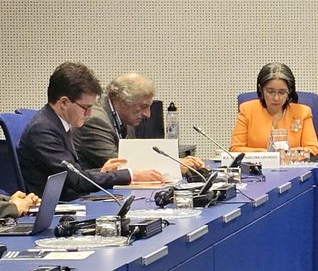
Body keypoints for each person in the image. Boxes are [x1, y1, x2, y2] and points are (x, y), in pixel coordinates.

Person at [18, 62, 165, 200]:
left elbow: (75, 173)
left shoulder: (57, 122)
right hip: (57, 210)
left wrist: (101, 172)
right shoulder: (43, 130)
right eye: (86, 107)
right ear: (64, 102)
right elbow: (77, 181)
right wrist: (130, 175)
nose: (89, 114)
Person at [76, 72, 207, 178]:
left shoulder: (126, 116)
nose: (148, 115)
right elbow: (120, 166)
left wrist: (177, 161)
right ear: (122, 102)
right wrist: (174, 165)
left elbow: (135, 156)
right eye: (143, 107)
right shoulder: (95, 120)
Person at [230, 63, 318, 157]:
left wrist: (285, 154)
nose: (276, 98)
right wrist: (268, 155)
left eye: (282, 92)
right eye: (270, 92)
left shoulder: (303, 112)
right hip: (257, 169)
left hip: (294, 168)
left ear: (289, 91)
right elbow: (235, 149)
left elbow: (312, 149)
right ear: (261, 89)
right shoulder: (247, 110)